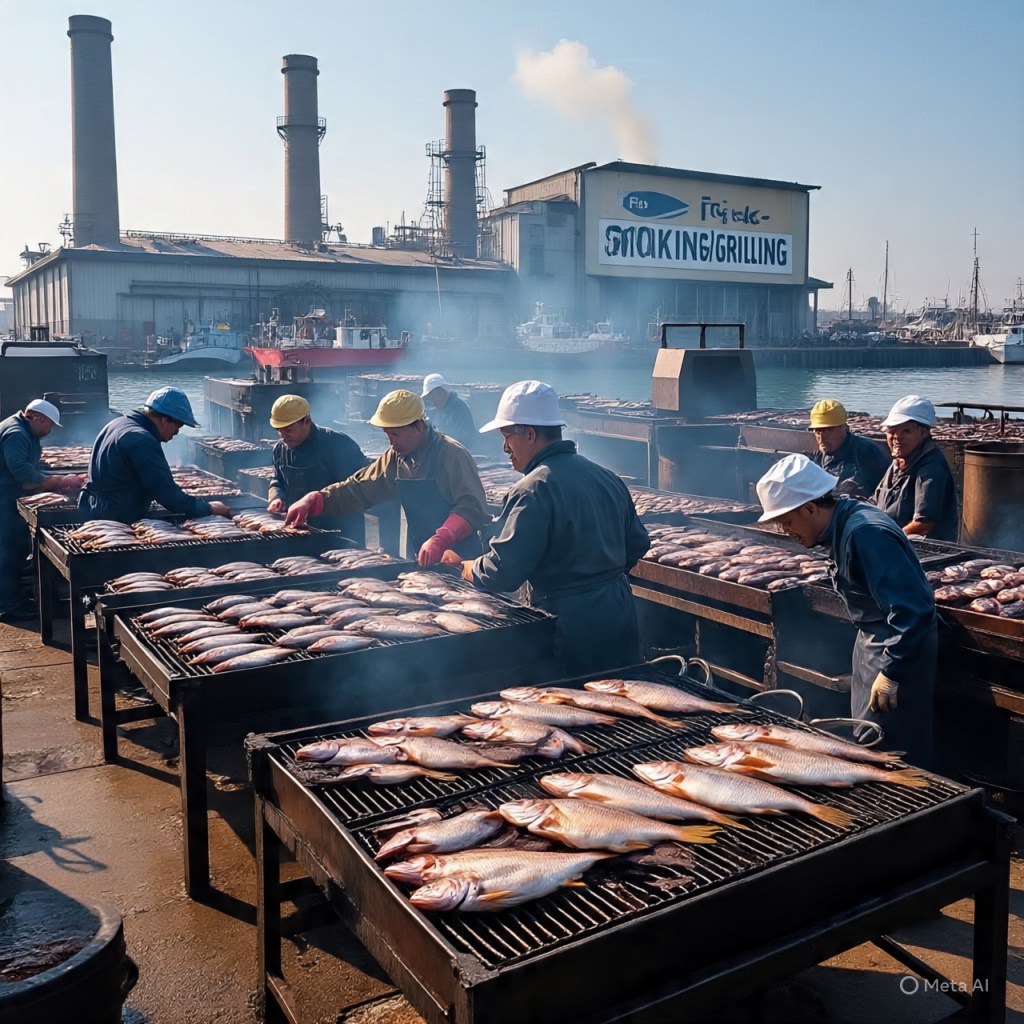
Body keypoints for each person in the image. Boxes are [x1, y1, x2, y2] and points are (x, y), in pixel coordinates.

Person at [448, 380, 650, 676]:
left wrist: (470, 567)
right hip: (618, 611)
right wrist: (602, 577)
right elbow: (638, 543)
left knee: (574, 704)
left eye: (507, 436)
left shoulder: (532, 490)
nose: (505, 448)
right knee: (621, 691)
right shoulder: (607, 477)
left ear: (529, 434)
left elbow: (503, 572)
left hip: (568, 621)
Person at [756, 453, 937, 768]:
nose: (787, 531)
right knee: (867, 738)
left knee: (889, 749)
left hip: (896, 647)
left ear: (811, 508)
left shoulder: (866, 534)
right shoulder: (845, 522)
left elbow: (914, 610)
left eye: (787, 521)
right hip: (873, 644)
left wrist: (893, 672)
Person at [285, 389, 488, 566]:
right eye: (387, 434)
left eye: (395, 434)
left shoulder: (451, 454)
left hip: (461, 558)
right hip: (423, 557)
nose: (391, 443)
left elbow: (472, 507)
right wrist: (317, 499)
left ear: (418, 426)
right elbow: (359, 489)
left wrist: (443, 538)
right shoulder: (396, 458)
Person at [80, 387, 232, 525]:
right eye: (178, 426)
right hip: (115, 519)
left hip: (95, 508)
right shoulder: (141, 439)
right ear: (165, 418)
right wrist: (209, 508)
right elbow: (167, 494)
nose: (177, 432)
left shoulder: (118, 423)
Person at [0, 400, 85, 621]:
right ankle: (8, 605)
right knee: (8, 552)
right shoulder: (16, 433)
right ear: (38, 418)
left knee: (15, 550)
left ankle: (13, 596)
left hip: (10, 494)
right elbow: (21, 471)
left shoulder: (22, 429)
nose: (50, 431)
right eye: (49, 425)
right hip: (4, 496)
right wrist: (56, 480)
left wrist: (47, 475)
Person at [265, 395, 369, 544]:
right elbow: (277, 480)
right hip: (299, 531)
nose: (283, 436)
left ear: (306, 421)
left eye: (288, 430)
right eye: (278, 430)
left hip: (342, 532)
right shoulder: (280, 450)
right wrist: (277, 497)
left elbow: (359, 486)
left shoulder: (338, 444)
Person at [872, 395, 958, 541]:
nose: (897, 437)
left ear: (924, 433)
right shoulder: (898, 462)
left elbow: (924, 525)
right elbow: (875, 501)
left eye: (906, 431)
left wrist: (885, 538)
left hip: (922, 552)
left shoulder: (931, 468)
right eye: (892, 431)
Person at [808, 398, 890, 499]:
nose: (822, 437)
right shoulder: (817, 456)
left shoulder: (867, 453)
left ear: (845, 428)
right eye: (817, 431)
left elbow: (884, 492)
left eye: (828, 430)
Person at [421, 373, 477, 451]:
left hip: (456, 454)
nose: (432, 401)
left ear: (440, 392)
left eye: (432, 396)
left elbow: (465, 439)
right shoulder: (441, 410)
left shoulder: (458, 408)